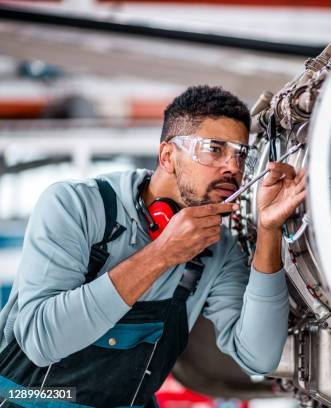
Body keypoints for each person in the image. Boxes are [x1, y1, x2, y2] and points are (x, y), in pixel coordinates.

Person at [0, 85, 305, 407]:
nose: (234, 167)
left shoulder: (217, 248)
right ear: (167, 156)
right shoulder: (74, 205)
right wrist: (161, 255)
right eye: (215, 149)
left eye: (240, 154)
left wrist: (269, 231)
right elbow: (41, 341)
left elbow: (259, 357)